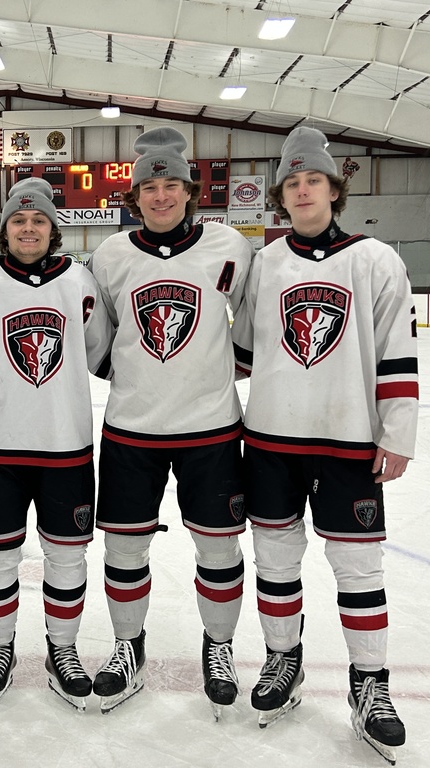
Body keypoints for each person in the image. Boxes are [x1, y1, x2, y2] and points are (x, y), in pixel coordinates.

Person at [231, 126, 418, 763]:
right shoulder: (266, 262)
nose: (303, 190)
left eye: (313, 180)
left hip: (348, 444)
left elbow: (396, 357)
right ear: (281, 196)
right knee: (276, 563)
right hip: (272, 443)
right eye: (292, 182)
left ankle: (370, 685)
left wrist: (398, 434)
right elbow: (244, 354)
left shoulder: (376, 260)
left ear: (333, 190)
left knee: (359, 571)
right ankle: (284, 661)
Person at [87, 126, 253, 716]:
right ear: (135, 197)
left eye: (171, 185)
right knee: (125, 547)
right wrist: (136, 378)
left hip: (211, 429)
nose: (160, 195)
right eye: (149, 186)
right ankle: (128, 647)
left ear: (190, 190)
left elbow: (253, 326)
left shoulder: (231, 246)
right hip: (132, 429)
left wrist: (211, 372)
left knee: (218, 546)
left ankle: (220, 646)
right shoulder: (108, 255)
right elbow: (96, 335)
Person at [0, 178, 112, 710]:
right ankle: (0, 648)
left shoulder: (79, 281)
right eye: (18, 220)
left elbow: (99, 352)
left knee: (66, 558)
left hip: (66, 447)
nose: (28, 228)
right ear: (4, 229)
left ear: (53, 228)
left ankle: (62, 650)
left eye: (38, 220)